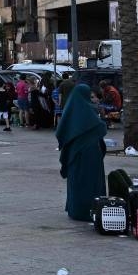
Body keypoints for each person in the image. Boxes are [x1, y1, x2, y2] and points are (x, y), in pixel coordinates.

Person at [56, 83, 106, 221]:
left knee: (77, 182)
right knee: (91, 183)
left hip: (74, 155)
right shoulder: (89, 111)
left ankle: (75, 209)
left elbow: (61, 133)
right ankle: (90, 210)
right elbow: (101, 128)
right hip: (90, 154)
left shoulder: (70, 111)